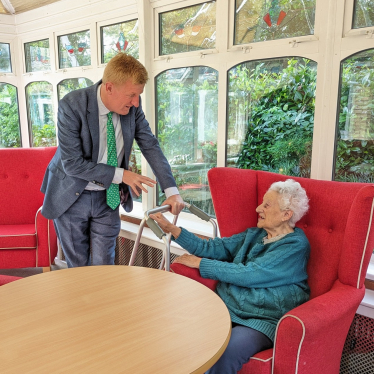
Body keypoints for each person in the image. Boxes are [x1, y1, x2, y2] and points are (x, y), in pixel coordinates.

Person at [150, 179, 310, 374]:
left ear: (287, 214)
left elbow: (252, 273)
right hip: (224, 307)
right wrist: (174, 230)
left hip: (260, 319)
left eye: (267, 205)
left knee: (225, 353)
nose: (259, 208)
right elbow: (212, 247)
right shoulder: (254, 235)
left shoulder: (295, 246)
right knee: (177, 330)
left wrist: (201, 263)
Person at [41, 53, 184, 268]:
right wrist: (122, 175)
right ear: (109, 88)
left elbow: (150, 145)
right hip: (70, 195)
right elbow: (72, 163)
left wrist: (172, 192)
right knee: (78, 268)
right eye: (131, 95)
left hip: (108, 197)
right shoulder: (72, 105)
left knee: (104, 266)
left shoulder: (133, 107)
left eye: (139, 95)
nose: (136, 103)